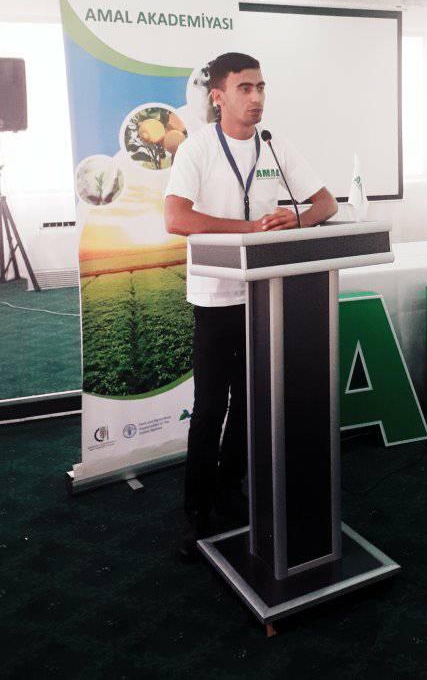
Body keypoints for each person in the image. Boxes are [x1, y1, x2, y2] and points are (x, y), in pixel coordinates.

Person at [164, 52, 337, 559]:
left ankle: (228, 487)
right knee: (210, 406)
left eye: (261, 87)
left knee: (251, 400)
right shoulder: (196, 148)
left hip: (265, 295)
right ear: (218, 96)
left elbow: (326, 203)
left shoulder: (273, 145)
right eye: (245, 88)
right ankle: (196, 509)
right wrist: (248, 230)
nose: (257, 97)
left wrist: (295, 220)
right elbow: (176, 218)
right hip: (216, 297)